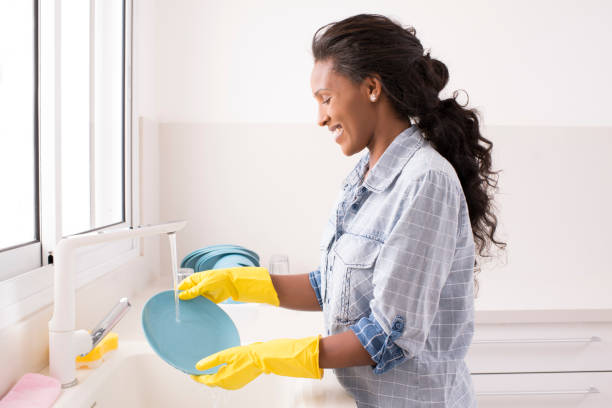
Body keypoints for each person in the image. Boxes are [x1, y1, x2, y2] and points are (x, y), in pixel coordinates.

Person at [178, 13, 505, 407]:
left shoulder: (424, 181)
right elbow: (336, 286)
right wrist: (245, 283)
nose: (320, 117)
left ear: (371, 88)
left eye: (326, 98)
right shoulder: (363, 175)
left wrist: (272, 357)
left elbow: (390, 335)